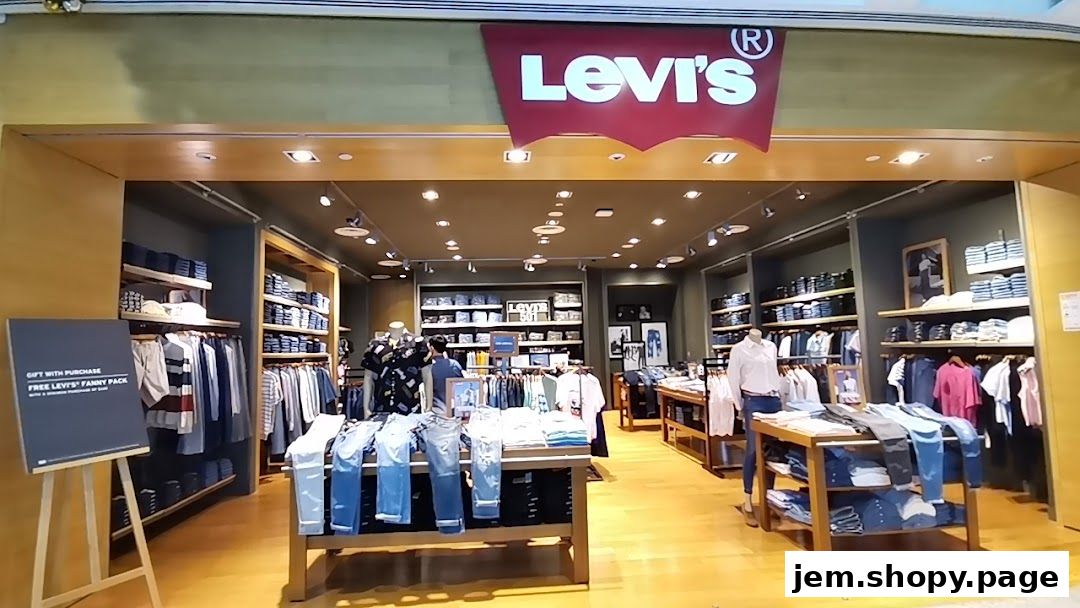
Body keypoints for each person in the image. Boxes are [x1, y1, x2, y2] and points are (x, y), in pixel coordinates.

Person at [429, 335, 463, 416]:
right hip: (455, 410)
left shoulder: (430, 368)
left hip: (437, 411)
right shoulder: (455, 364)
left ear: (432, 348)